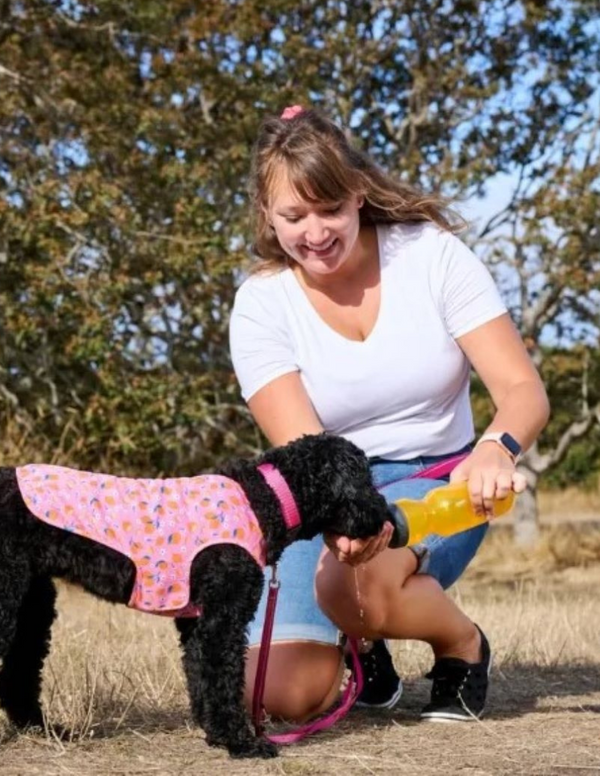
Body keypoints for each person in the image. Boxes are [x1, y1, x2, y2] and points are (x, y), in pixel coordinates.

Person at [228, 105, 550, 723]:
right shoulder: (260, 304)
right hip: (332, 493)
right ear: (267, 215)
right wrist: (346, 515)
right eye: (294, 216)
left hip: (439, 482)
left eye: (330, 210)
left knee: (358, 587)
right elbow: (312, 457)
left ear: (357, 194)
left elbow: (522, 390)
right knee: (280, 696)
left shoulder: (431, 256)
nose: (315, 232)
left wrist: (494, 449)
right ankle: (360, 642)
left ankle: (461, 646)